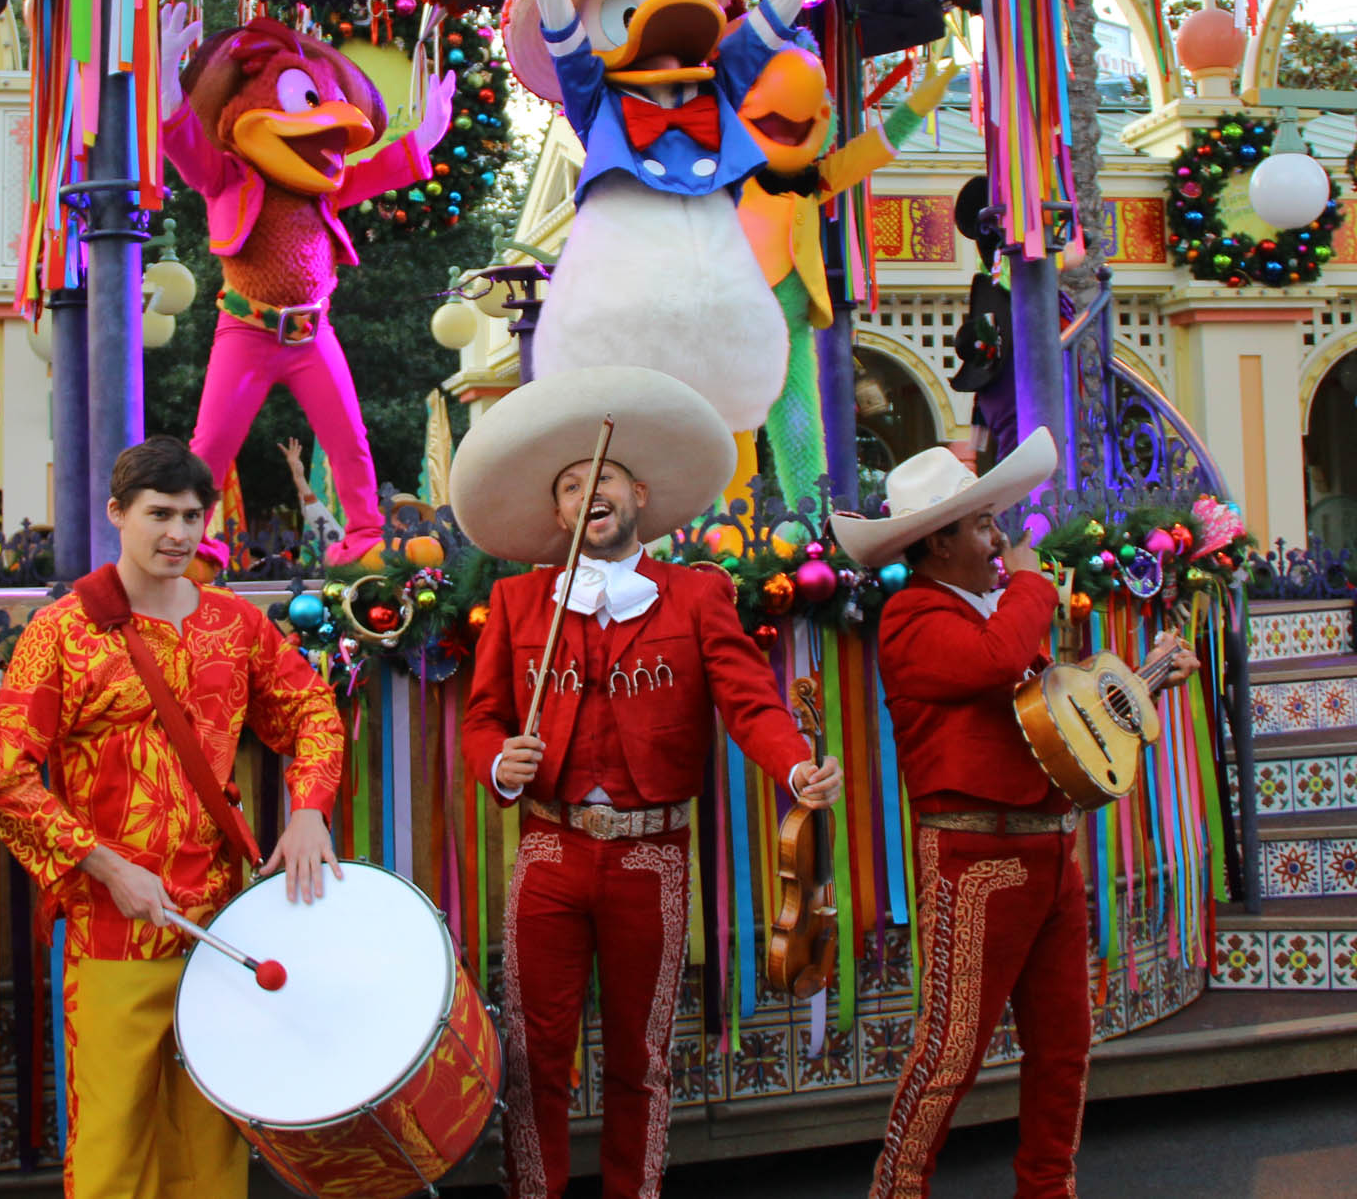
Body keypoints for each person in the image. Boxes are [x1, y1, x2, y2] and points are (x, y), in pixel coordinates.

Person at [451, 366, 841, 1199]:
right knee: (534, 1052)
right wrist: (496, 760)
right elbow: (481, 719)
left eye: (603, 478)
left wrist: (795, 764)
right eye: (569, 486)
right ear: (559, 515)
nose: (587, 491)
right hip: (550, 851)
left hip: (651, 856)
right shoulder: (519, 601)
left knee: (642, 1055)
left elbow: (749, 701)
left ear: (638, 495)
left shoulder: (696, 593)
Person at [0, 434, 346, 1199]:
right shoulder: (62, 631)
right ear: (117, 512)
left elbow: (313, 711)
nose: (178, 532)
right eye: (159, 514)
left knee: (210, 1145)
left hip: (221, 926)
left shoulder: (234, 623)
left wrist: (309, 809)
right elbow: (3, 777)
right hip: (113, 928)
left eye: (190, 515)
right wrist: (105, 865)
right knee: (113, 1149)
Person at [833, 428, 1194, 1199]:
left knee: (1064, 1044)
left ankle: (1047, 1187)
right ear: (938, 542)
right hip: (975, 862)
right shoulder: (912, 617)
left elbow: (1055, 723)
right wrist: (1034, 584)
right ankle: (897, 1190)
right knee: (951, 1049)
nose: (1000, 538)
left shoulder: (993, 613)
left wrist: (1150, 679)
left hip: (1050, 853)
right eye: (982, 524)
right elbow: (998, 660)